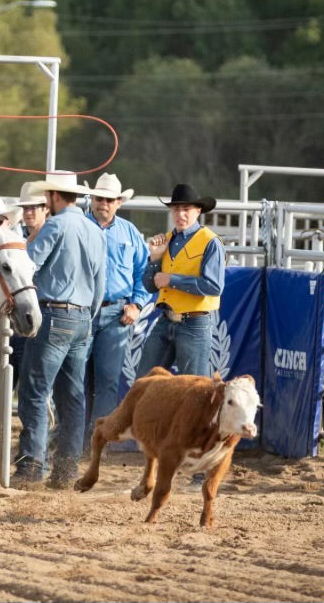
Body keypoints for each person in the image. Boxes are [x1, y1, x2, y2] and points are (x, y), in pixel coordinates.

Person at [12, 170, 105, 489]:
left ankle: (31, 466)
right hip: (82, 319)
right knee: (72, 398)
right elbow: (100, 282)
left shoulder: (55, 224)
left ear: (53, 196)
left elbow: (28, 264)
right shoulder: (94, 230)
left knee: (34, 391)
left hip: (53, 315)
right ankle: (65, 471)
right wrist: (88, 318)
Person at [82, 173, 149, 450]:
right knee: (75, 378)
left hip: (116, 313)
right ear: (92, 199)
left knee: (107, 381)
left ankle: (97, 442)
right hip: (82, 311)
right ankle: (73, 438)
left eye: (109, 200)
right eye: (99, 199)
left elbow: (143, 272)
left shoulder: (130, 232)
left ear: (118, 202)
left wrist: (136, 304)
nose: (103, 204)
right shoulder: (80, 226)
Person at [136, 183, 225, 379]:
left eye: (186, 209)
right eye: (176, 209)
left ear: (198, 211)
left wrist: (172, 280)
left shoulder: (210, 241)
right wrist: (155, 259)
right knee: (143, 384)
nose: (180, 214)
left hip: (195, 323)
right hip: (166, 319)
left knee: (194, 390)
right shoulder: (166, 240)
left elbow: (214, 286)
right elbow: (150, 285)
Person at [9, 181, 50, 385]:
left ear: (46, 209)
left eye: (33, 207)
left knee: (31, 382)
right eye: (25, 208)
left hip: (39, 314)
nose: (28, 212)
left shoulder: (51, 236)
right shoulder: (18, 237)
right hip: (18, 317)